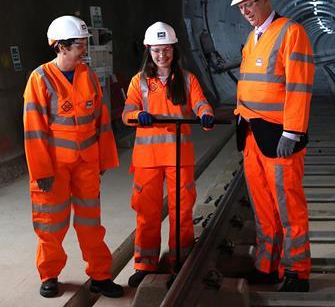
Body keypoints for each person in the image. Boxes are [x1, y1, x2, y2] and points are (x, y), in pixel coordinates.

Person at [23, 15, 124, 298]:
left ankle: (100, 275)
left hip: (86, 165)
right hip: (54, 168)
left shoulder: (88, 76)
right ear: (61, 47)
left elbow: (101, 121)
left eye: (84, 44)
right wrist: (40, 172)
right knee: (51, 224)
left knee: (91, 223)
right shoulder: (40, 79)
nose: (84, 50)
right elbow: (34, 129)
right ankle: (50, 274)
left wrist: (102, 159)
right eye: (79, 45)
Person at [229, 0, 315, 292]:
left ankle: (296, 271)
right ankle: (267, 266)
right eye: (240, 7)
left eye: (250, 3)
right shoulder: (252, 38)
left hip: (279, 135)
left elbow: (299, 86)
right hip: (252, 134)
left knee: (288, 206)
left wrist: (292, 133)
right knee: (264, 207)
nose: (246, 11)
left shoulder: (291, 33)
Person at [122, 22, 215, 287]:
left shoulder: (186, 79)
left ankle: (179, 262)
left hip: (178, 157)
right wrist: (136, 115)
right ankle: (144, 264)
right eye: (156, 50)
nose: (161, 55)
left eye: (166, 50)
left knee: (181, 211)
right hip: (147, 160)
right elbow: (127, 112)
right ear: (148, 51)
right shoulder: (138, 82)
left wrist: (205, 113)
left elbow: (199, 101)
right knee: (146, 213)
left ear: (174, 50)